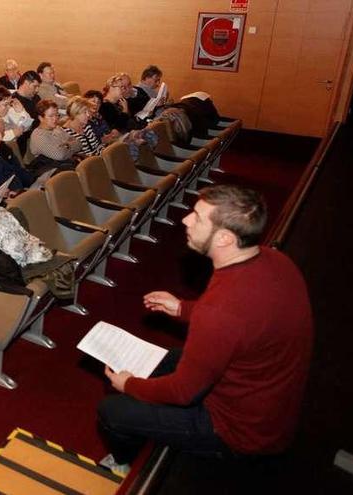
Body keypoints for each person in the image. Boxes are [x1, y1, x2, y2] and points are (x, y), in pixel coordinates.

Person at [97, 185, 313, 476]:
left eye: (197, 217)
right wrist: (183, 309)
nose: (186, 220)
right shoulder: (274, 260)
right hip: (269, 405)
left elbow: (183, 391)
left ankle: (124, 466)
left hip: (239, 432)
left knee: (113, 411)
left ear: (224, 238)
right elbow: (242, 320)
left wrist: (129, 385)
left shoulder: (220, 311)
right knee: (166, 359)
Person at [28, 99, 82, 173]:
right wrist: (69, 145)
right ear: (41, 118)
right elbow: (60, 155)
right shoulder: (38, 136)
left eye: (57, 115)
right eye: (51, 116)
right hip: (54, 171)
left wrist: (66, 145)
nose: (55, 119)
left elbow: (79, 143)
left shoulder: (57, 128)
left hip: (67, 166)